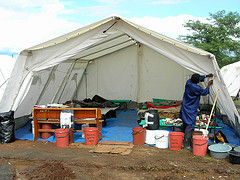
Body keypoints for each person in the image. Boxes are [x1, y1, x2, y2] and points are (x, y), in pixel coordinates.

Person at [180, 73, 213, 150]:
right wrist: (208, 85)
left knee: (185, 122)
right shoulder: (196, 87)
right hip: (191, 108)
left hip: (185, 105)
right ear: (197, 81)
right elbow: (205, 92)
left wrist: (206, 76)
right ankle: (186, 145)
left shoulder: (188, 82)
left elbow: (197, 79)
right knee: (190, 124)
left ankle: (185, 140)